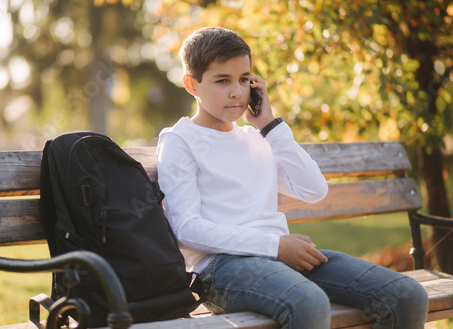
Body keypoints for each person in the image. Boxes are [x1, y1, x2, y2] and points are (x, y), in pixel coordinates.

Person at [156, 26, 428, 328]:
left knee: (407, 296)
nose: (237, 91)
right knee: (308, 304)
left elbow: (314, 189)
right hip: (222, 267)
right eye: (222, 81)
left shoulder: (258, 138)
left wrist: (270, 126)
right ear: (192, 84)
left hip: (282, 255)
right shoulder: (180, 140)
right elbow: (186, 229)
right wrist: (274, 245)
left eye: (244, 79)